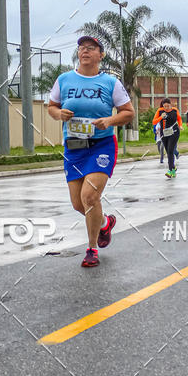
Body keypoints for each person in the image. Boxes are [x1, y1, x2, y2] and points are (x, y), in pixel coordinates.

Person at [48, 36, 134, 268]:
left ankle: (91, 249)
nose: (85, 51)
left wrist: (110, 120)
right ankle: (105, 223)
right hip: (74, 148)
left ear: (100, 55)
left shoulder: (110, 83)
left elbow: (128, 112)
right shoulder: (64, 80)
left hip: (101, 146)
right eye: (81, 48)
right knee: (78, 204)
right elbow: (51, 107)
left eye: (91, 48)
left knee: (90, 196)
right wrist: (58, 114)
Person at [153, 98, 182, 178]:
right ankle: (173, 168)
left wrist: (180, 125)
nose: (166, 108)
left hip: (174, 132)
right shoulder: (160, 111)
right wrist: (161, 117)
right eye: (164, 106)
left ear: (170, 104)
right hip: (164, 134)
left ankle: (170, 171)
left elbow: (179, 119)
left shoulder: (175, 110)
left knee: (170, 150)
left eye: (168, 106)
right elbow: (154, 122)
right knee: (168, 151)